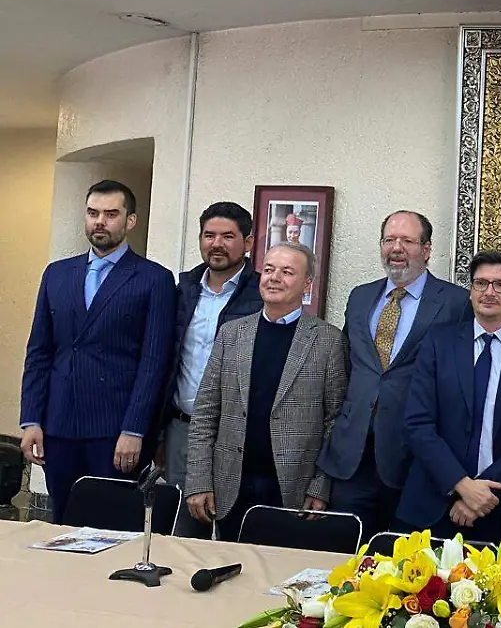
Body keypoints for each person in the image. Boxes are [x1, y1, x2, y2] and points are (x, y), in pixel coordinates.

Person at [19, 180, 176, 523]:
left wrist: (134, 430)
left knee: (109, 529)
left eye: (111, 214)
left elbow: (153, 363)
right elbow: (39, 352)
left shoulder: (154, 279)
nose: (100, 221)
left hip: (115, 432)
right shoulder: (57, 274)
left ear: (130, 220)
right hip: (58, 426)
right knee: (62, 525)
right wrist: (31, 419)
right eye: (93, 213)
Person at [318, 210, 472, 538]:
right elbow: (347, 366)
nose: (396, 248)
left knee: (407, 559)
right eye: (389, 240)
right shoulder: (360, 296)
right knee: (347, 555)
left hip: (413, 460)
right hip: (353, 457)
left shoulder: (456, 303)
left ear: (426, 249)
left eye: (407, 241)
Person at [184, 243, 346, 542]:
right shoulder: (232, 333)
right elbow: (205, 413)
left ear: (307, 283)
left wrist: (320, 486)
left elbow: (335, 423)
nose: (274, 278)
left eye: (287, 272)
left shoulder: (328, 340)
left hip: (294, 488)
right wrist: (199, 480)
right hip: (230, 483)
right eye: (269, 269)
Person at [398, 250, 501, 558]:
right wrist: (461, 485)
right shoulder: (438, 343)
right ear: (470, 290)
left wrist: (482, 493)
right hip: (433, 505)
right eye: (481, 283)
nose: (489, 292)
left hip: (498, 509)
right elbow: (418, 424)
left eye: (500, 284)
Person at [158, 202, 262, 536]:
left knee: (235, 533)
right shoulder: (182, 290)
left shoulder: (262, 294)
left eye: (228, 236)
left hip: (236, 435)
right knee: (182, 534)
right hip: (182, 429)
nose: (216, 244)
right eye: (209, 235)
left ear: (248, 242)